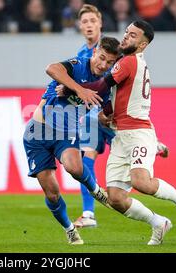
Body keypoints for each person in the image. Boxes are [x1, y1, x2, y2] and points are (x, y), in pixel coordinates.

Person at [60, 20, 176, 245]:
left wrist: (69, 87)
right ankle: (157, 222)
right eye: (126, 32)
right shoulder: (127, 61)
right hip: (120, 134)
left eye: (132, 36)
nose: (126, 37)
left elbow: (101, 87)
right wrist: (106, 111)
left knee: (141, 181)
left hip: (138, 131)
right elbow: (108, 97)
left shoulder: (130, 62)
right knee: (115, 197)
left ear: (142, 44)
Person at [72, 4, 169, 229]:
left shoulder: (114, 48)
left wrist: (107, 110)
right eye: (84, 22)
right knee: (85, 157)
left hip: (112, 115)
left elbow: (115, 83)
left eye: (92, 21)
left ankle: (152, 143)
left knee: (124, 141)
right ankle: (89, 213)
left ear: (100, 24)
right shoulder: (81, 53)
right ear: (79, 26)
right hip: (95, 115)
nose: (88, 25)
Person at [22, 37, 121, 245]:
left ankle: (96, 190)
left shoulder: (105, 85)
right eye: (101, 58)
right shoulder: (77, 65)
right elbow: (51, 68)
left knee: (74, 167)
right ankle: (69, 228)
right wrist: (78, 89)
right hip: (37, 134)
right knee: (52, 193)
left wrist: (108, 117)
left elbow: (105, 112)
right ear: (94, 53)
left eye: (109, 62)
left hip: (66, 133)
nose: (102, 64)